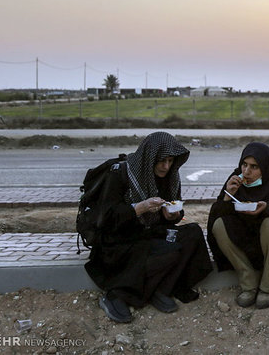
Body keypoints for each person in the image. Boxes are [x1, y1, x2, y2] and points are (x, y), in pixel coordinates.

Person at [85, 132, 212, 323]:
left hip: (150, 233)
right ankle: (117, 295)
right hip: (119, 240)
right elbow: (107, 218)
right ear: (148, 158)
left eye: (170, 161)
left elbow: (168, 215)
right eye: (161, 161)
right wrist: (140, 207)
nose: (166, 166)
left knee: (192, 234)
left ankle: (161, 289)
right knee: (167, 251)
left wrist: (172, 215)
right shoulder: (121, 174)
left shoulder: (169, 177)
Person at [207, 142, 269, 309]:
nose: (246, 172)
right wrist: (228, 196)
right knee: (219, 225)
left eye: (254, 167)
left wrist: (268, 208)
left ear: (265, 167)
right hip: (244, 237)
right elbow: (214, 216)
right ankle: (248, 282)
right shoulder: (236, 178)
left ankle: (268, 286)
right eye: (244, 164)